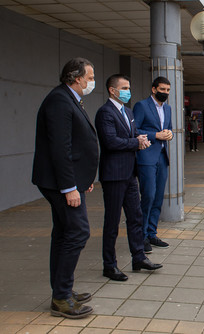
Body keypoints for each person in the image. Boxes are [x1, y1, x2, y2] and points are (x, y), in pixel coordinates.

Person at [32, 57, 98, 319]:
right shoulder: (60, 100)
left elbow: (78, 145)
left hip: (67, 181)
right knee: (78, 232)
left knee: (64, 234)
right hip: (59, 183)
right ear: (77, 77)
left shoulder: (68, 98)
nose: (91, 81)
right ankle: (61, 297)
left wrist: (82, 180)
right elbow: (61, 148)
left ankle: (63, 291)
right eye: (90, 77)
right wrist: (70, 187)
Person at [95, 74, 163, 281]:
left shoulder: (128, 112)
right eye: (124, 88)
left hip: (129, 174)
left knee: (135, 217)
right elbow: (111, 142)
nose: (128, 91)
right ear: (112, 90)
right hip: (114, 175)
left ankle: (139, 257)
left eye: (129, 88)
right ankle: (110, 265)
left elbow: (130, 135)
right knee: (112, 222)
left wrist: (140, 139)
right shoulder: (105, 113)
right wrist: (135, 143)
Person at [133, 76, 173, 253]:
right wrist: (155, 135)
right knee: (147, 196)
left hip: (162, 157)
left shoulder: (168, 108)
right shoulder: (141, 106)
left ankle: (151, 233)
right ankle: (140, 237)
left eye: (168, 90)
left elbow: (169, 128)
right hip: (146, 158)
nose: (165, 93)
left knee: (158, 198)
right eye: (162, 89)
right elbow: (134, 131)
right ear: (154, 89)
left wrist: (169, 134)